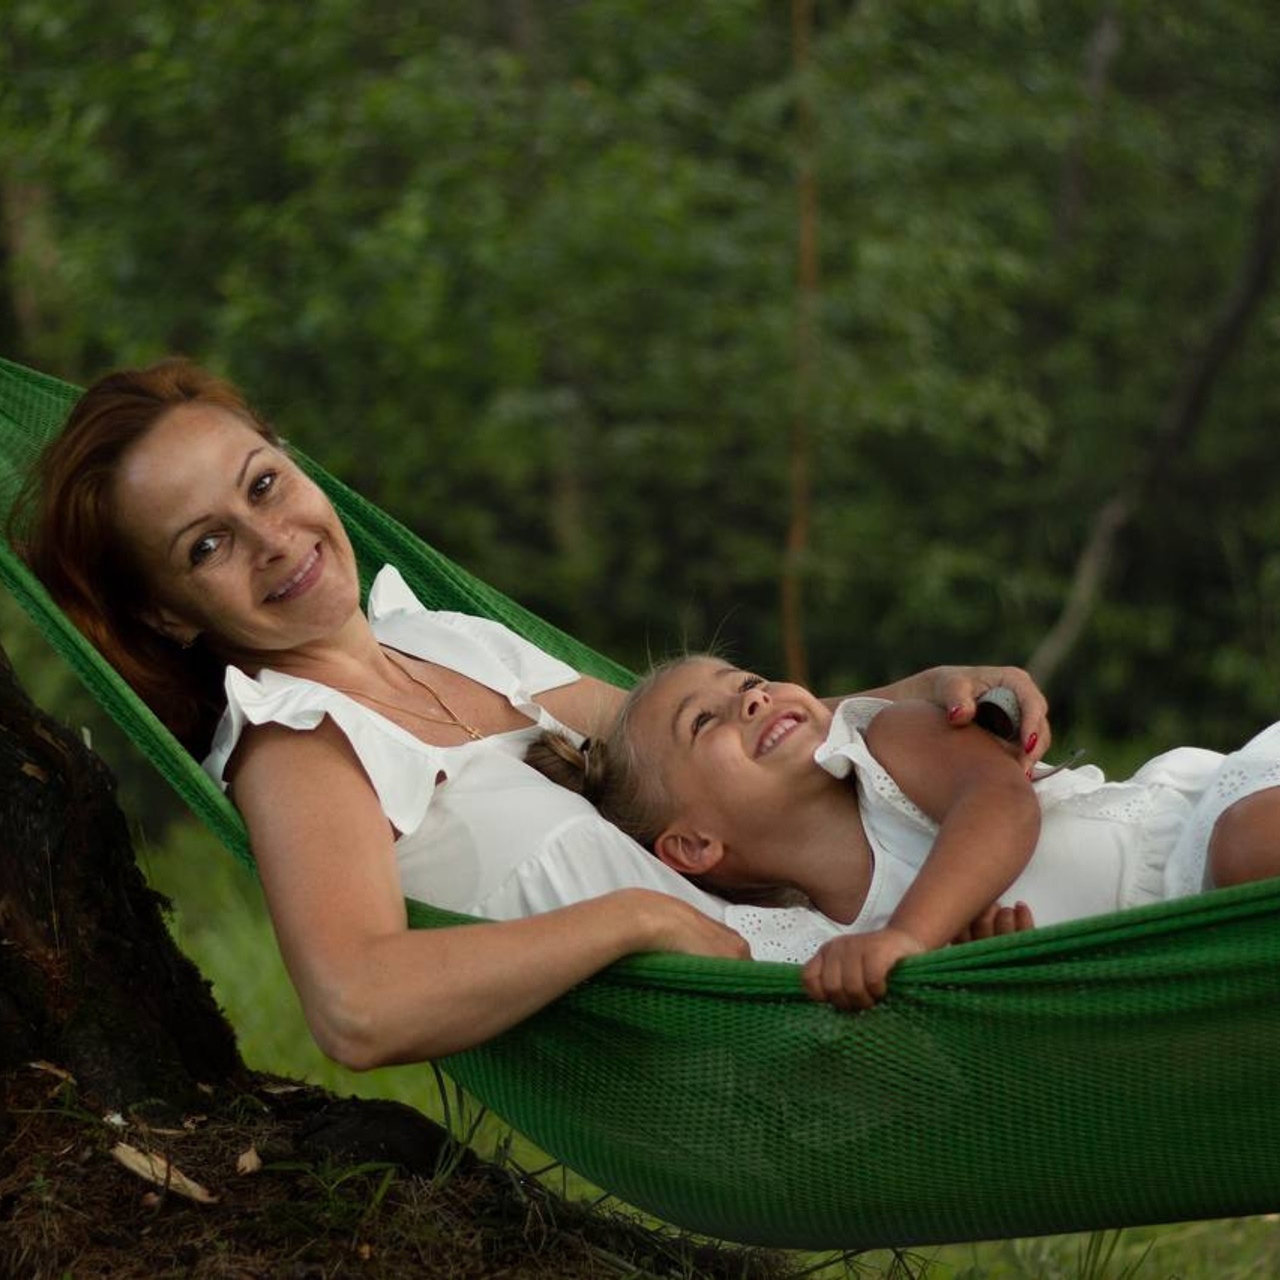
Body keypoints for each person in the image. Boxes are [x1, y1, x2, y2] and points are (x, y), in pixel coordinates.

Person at [15, 358, 1053, 1068]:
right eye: (206, 544)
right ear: (164, 609)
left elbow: (692, 750)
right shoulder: (299, 746)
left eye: (265, 483)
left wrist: (897, 695)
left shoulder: (446, 638)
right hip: (801, 1047)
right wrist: (636, 918)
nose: (272, 538)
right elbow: (355, 1005)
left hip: (874, 960)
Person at [528, 654, 1280, 1010]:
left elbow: (999, 805)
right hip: (1164, 982)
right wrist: (994, 983)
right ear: (692, 847)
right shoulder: (802, 946)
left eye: (748, 683)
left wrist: (911, 936)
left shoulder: (886, 741)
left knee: (1251, 852)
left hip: (1198, 838)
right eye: (705, 723)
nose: (750, 702)